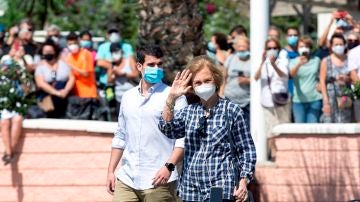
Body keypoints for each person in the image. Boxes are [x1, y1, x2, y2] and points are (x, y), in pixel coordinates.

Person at [158, 55, 256, 202]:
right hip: (191, 188)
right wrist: (171, 98)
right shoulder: (189, 112)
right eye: (198, 82)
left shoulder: (231, 110)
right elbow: (168, 129)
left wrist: (243, 181)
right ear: (192, 86)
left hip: (220, 186)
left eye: (207, 80)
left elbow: (246, 149)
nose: (203, 85)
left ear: (215, 80)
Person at [106, 44, 187, 202]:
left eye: (160, 64)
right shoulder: (128, 97)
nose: (156, 68)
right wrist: (111, 171)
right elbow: (120, 135)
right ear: (139, 66)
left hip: (159, 179)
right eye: (151, 65)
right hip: (127, 178)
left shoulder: (174, 96)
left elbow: (182, 139)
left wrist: (169, 167)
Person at [35, 39, 75, 118]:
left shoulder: (63, 64)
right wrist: (56, 93)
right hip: (47, 99)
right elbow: (40, 83)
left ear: (55, 51)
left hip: (64, 97)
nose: (48, 53)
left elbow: (71, 78)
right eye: (45, 51)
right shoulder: (40, 67)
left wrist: (66, 90)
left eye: (50, 51)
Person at [320, 33, 352, 123]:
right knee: (329, 122)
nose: (339, 47)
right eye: (336, 44)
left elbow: (353, 78)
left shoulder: (349, 59)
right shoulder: (326, 61)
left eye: (341, 44)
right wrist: (325, 101)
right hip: (331, 97)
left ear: (345, 45)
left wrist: (346, 78)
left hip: (345, 97)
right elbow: (322, 81)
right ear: (331, 46)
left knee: (345, 122)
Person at [289, 37, 323, 123]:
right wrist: (299, 64)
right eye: (301, 46)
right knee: (299, 129)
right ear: (297, 48)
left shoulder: (316, 60)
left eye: (306, 46)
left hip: (315, 99)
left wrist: (320, 84)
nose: (304, 49)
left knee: (313, 128)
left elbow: (322, 76)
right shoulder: (293, 61)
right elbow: (291, 75)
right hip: (298, 100)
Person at [223, 36, 251, 122]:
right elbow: (224, 77)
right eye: (239, 46)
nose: (241, 48)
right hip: (229, 99)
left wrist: (248, 80)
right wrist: (221, 94)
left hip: (247, 102)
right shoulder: (231, 58)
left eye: (244, 46)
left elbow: (259, 78)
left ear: (249, 46)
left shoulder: (254, 59)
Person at [109, 43, 139, 116]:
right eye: (112, 52)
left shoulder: (129, 60)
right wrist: (114, 75)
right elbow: (109, 81)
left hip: (132, 97)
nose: (114, 54)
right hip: (119, 98)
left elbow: (136, 74)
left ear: (121, 51)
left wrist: (123, 74)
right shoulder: (112, 64)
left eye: (116, 51)